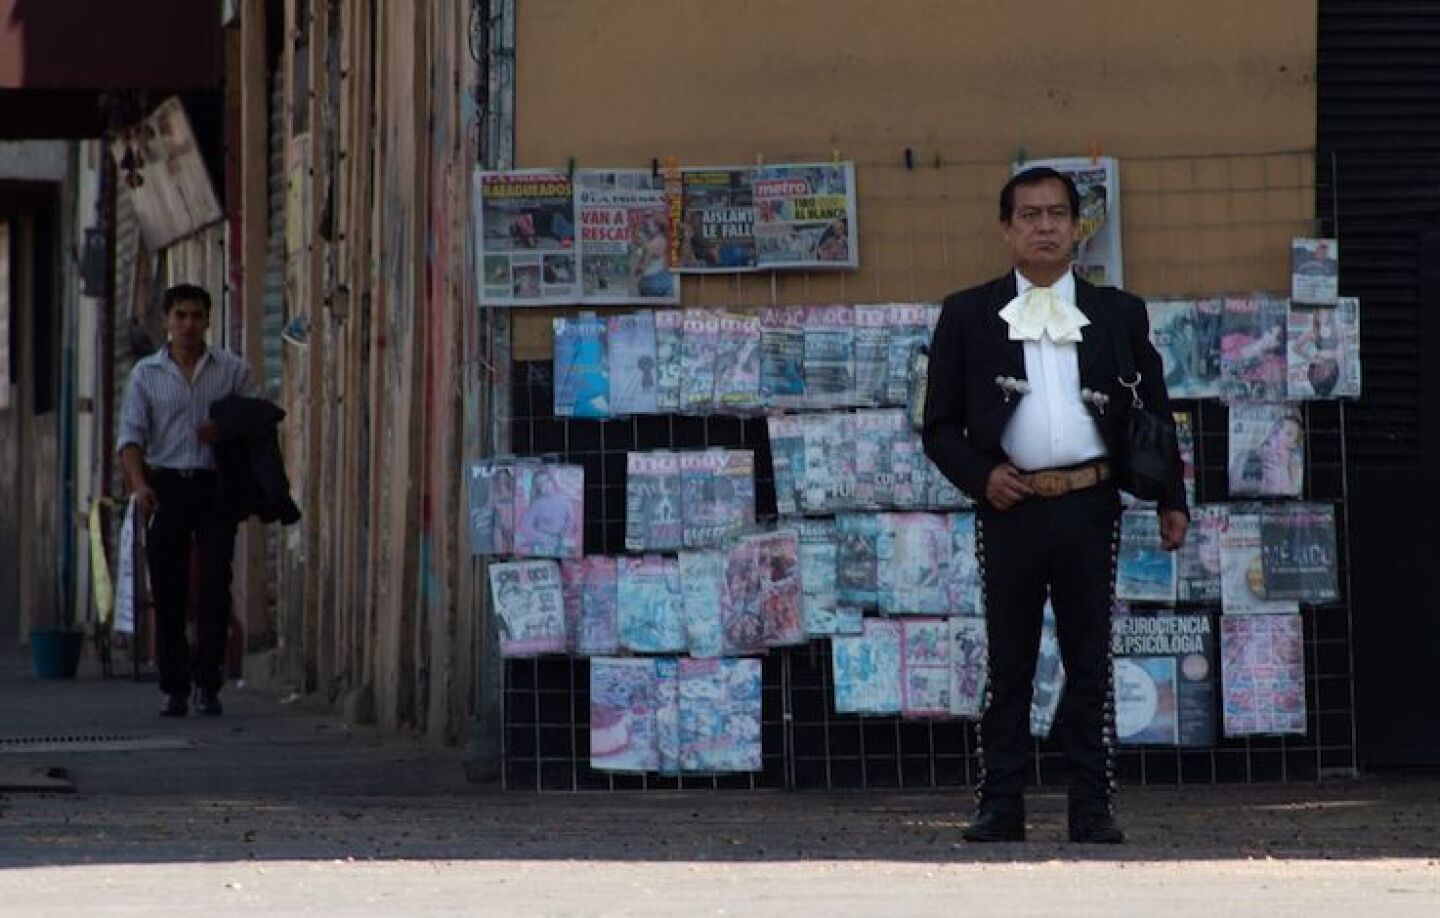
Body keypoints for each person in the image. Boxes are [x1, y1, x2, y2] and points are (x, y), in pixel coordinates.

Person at [922, 168, 1188, 845]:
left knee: (1089, 660)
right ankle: (1000, 804)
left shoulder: (1118, 313)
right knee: (1008, 663)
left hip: (1089, 504)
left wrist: (1171, 498)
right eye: (1029, 214)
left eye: (1057, 214)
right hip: (1008, 505)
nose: (1044, 226)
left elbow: (1155, 411)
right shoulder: (967, 314)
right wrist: (982, 477)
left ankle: (1091, 807)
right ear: (1006, 228)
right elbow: (939, 426)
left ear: (1076, 227)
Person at [117, 283, 261, 717]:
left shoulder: (231, 370)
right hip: (166, 487)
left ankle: (208, 683)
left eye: (196, 316)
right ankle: (174, 686)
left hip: (214, 486)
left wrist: (226, 428)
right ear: (166, 320)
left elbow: (259, 421)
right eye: (180, 315)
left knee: (215, 584)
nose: (188, 324)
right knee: (169, 589)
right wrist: (140, 485)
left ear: (208, 320)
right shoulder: (146, 374)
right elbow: (130, 438)